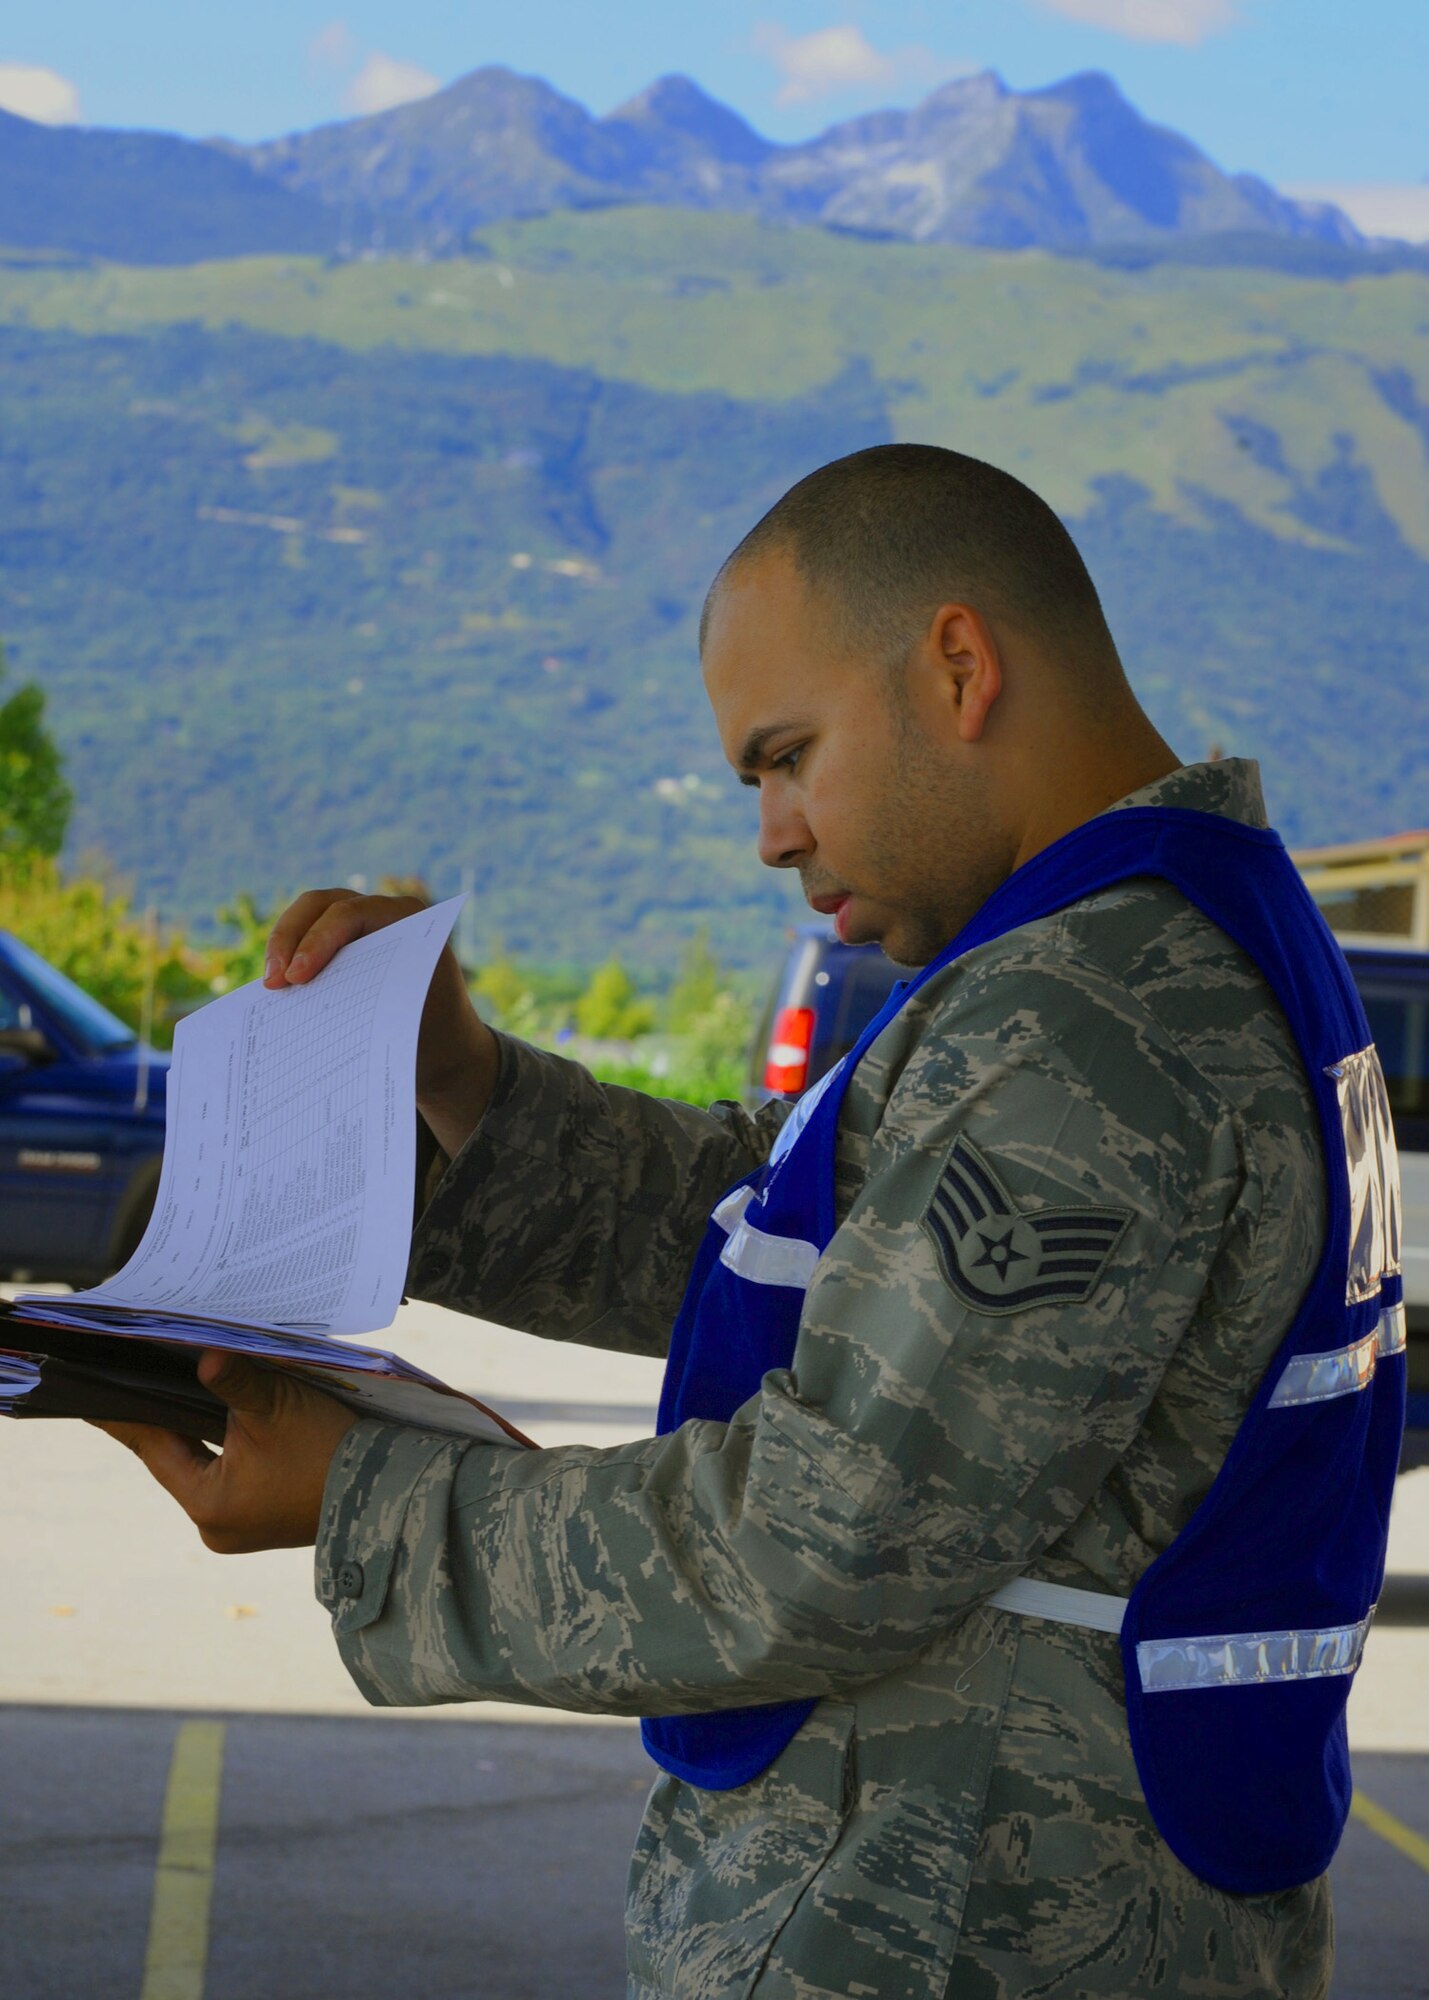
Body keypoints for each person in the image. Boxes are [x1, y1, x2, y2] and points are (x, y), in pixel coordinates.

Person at [98, 445, 1404, 2000]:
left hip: (964, 1927)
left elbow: (822, 1537)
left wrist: (370, 1502)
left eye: (786, 756)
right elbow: (818, 1246)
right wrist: (469, 1092)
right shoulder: (1153, 942)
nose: (772, 833)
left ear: (958, 665)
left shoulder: (1084, 1021)